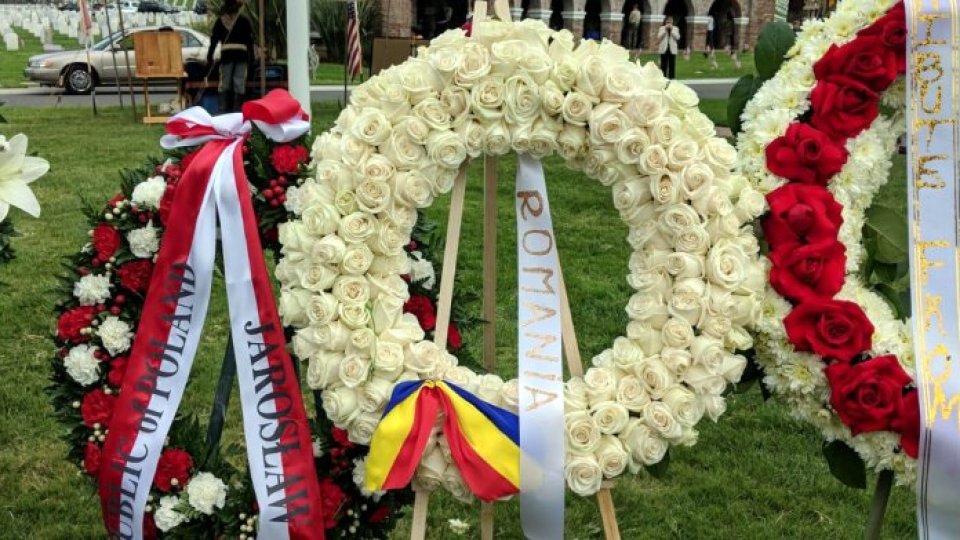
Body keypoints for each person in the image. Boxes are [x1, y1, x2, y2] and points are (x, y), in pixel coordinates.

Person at [206, 0, 254, 113]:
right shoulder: (244, 21)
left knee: (224, 84)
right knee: (239, 83)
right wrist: (251, 57)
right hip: (241, 55)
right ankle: (237, 111)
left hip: (227, 55)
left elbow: (214, 41)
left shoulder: (220, 21)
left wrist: (210, 56)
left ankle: (223, 110)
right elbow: (250, 41)